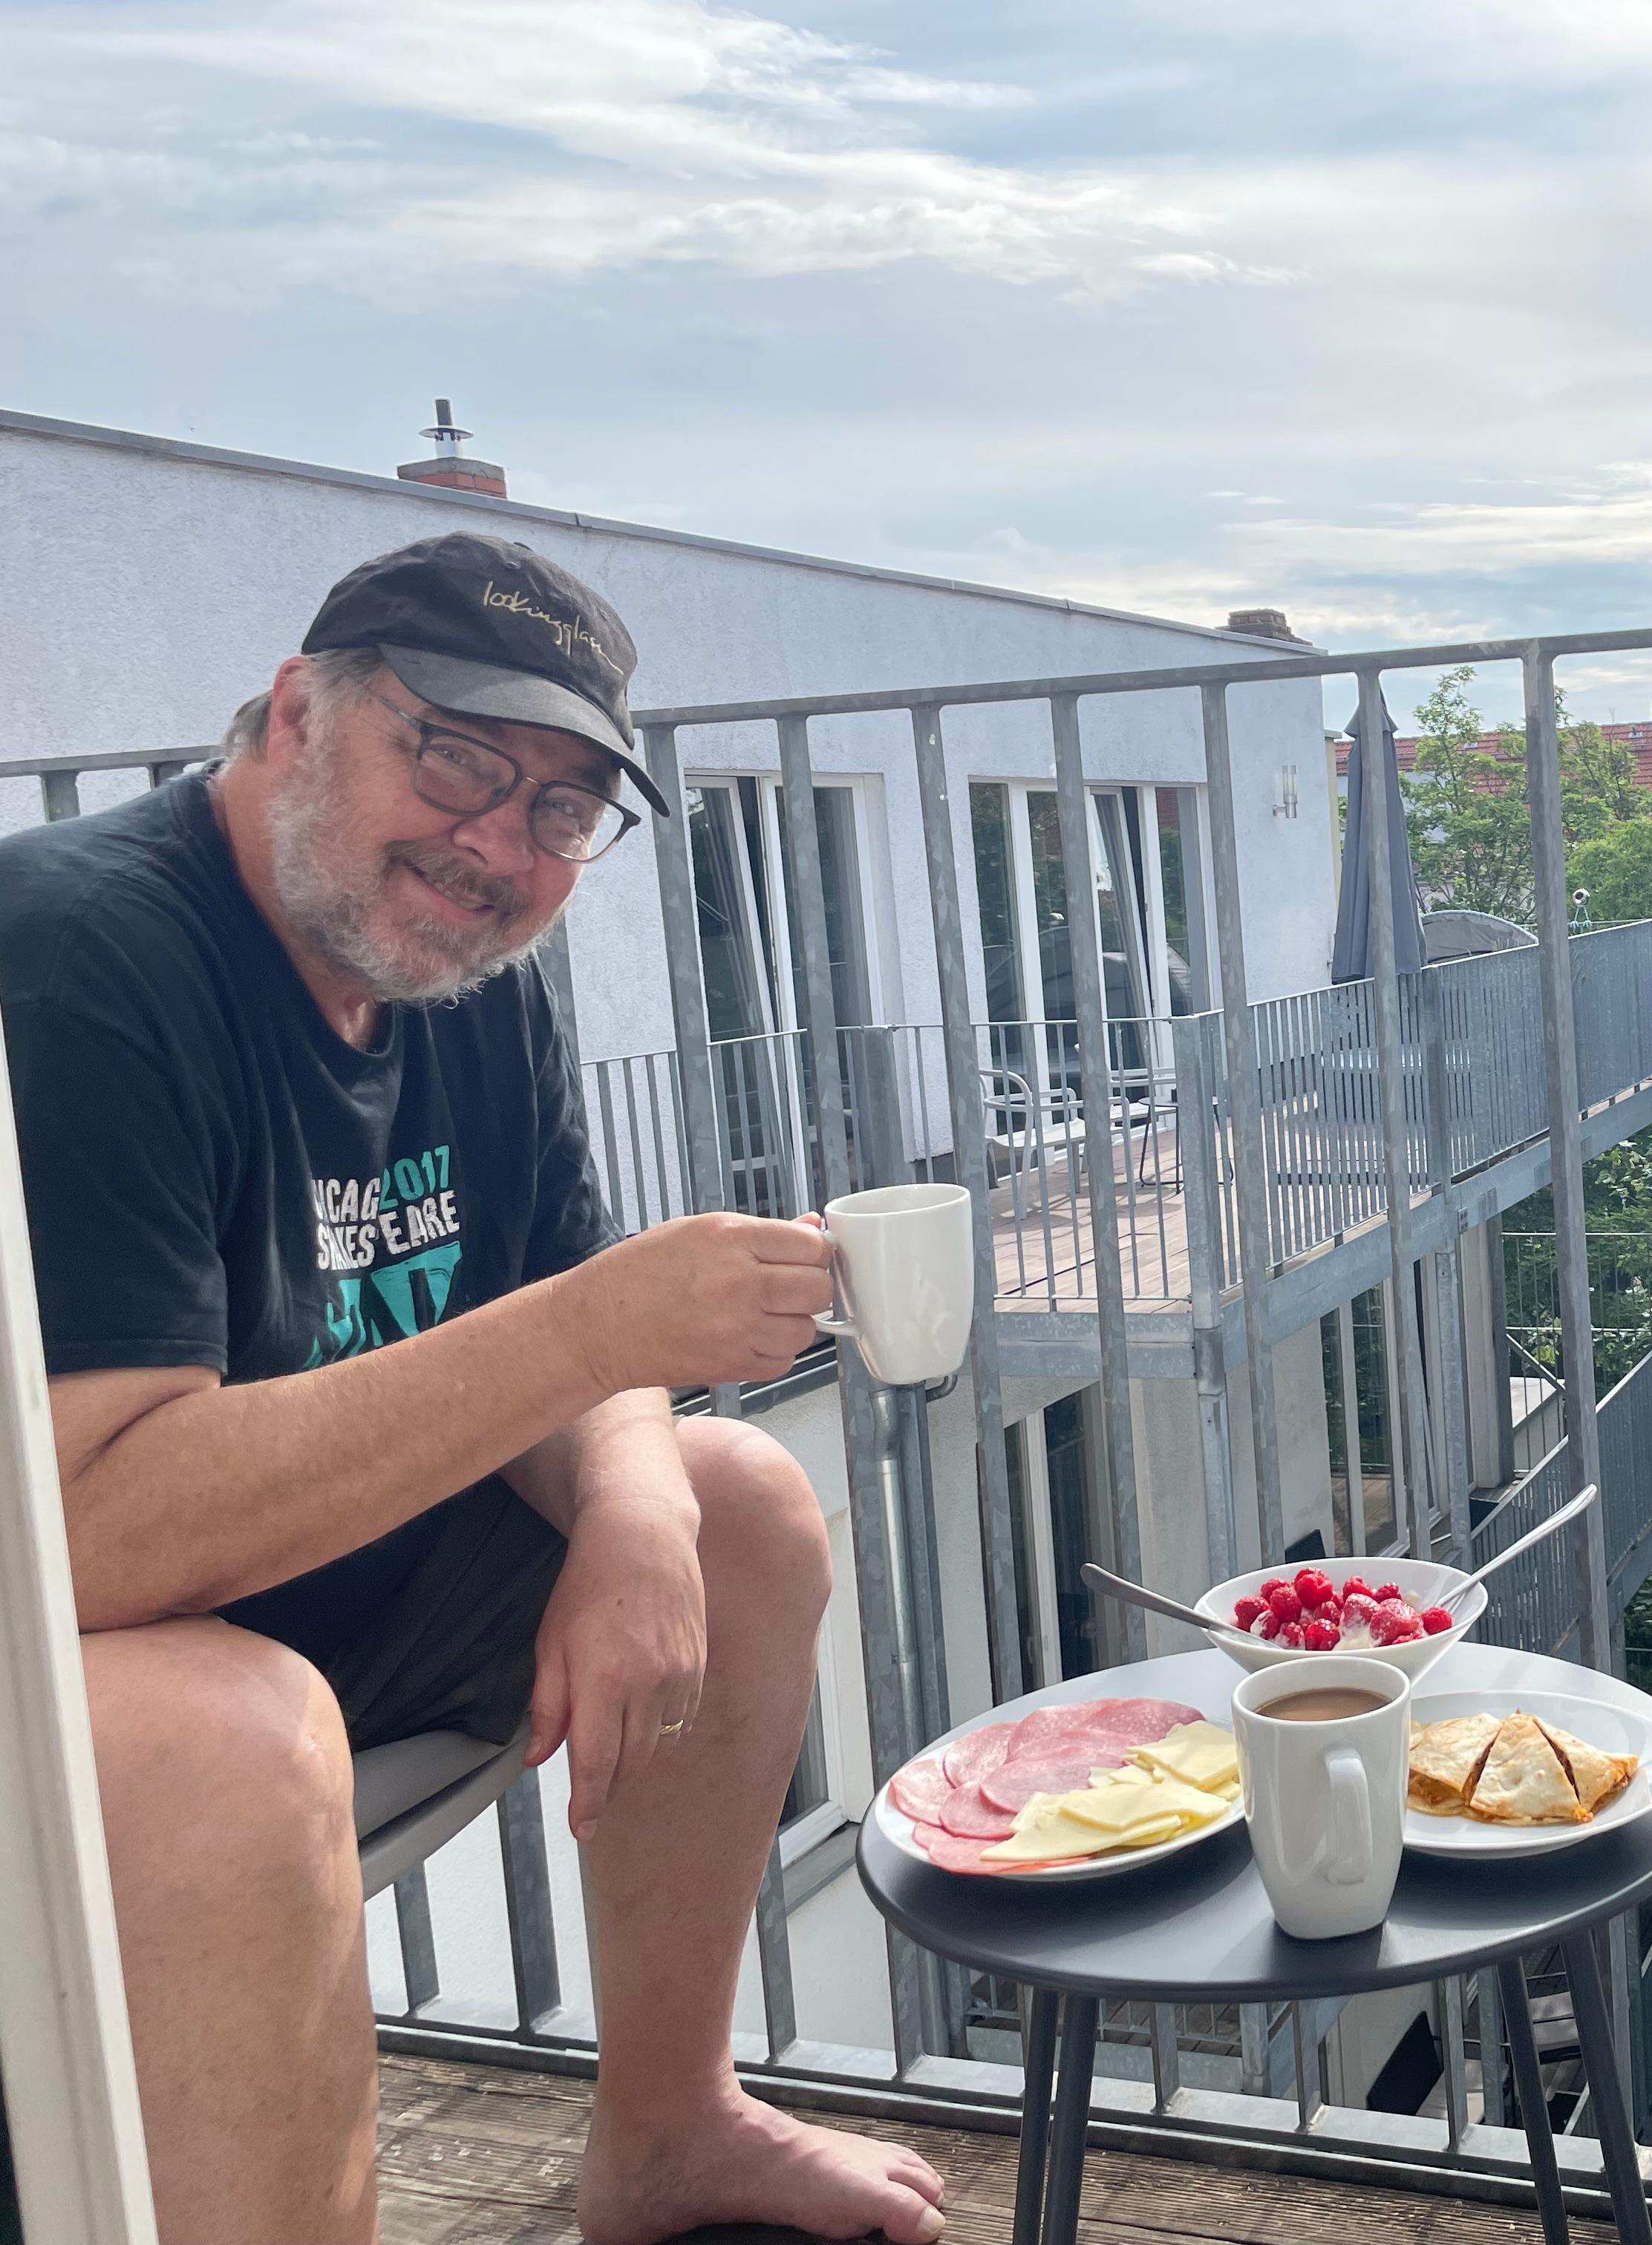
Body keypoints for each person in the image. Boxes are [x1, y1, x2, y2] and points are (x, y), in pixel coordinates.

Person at [0, 535, 947, 2245]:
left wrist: (641, 1506)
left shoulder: (459, 982)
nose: (497, 845)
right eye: (455, 759)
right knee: (232, 1743)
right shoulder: (80, 955)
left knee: (739, 1508)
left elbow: (557, 1320)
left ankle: (669, 2131)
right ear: (297, 715)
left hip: (311, 1596)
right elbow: (80, 1528)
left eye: (561, 811)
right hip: (70, 1657)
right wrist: (602, 1337)